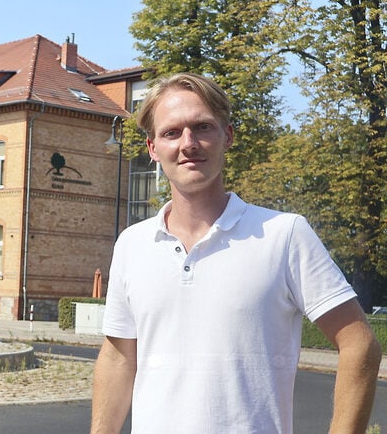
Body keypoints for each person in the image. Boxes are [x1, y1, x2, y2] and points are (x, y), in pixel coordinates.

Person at [91, 72, 382, 434]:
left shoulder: (284, 235)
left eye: (203, 127)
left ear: (227, 136)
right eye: (171, 132)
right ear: (152, 148)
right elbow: (119, 357)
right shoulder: (132, 244)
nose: (189, 143)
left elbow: (359, 344)